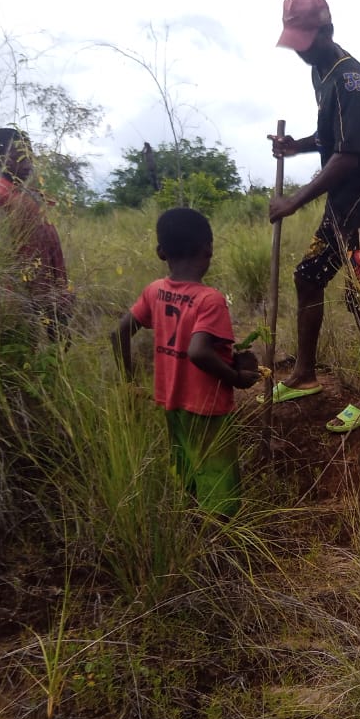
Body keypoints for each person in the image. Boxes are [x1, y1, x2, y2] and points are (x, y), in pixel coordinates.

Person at [265, 0, 360, 434]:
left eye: (306, 41)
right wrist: (296, 146)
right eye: (295, 42)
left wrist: (294, 201)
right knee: (308, 276)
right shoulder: (320, 71)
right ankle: (304, 375)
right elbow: (331, 137)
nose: (300, 52)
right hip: (342, 204)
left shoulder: (349, 78)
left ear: (327, 31)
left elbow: (351, 155)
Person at [112, 208, 262, 519]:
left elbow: (118, 334)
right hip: (207, 408)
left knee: (187, 466)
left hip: (172, 401)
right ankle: (221, 539)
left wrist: (129, 380)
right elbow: (198, 352)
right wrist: (235, 376)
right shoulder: (210, 300)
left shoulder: (155, 291)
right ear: (209, 248)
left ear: (160, 252)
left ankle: (192, 524)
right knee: (218, 476)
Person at [0, 126, 73, 339]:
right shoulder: (0, 199)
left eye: (29, 156)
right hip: (28, 302)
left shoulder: (27, 195)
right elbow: (8, 258)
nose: (27, 164)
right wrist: (36, 305)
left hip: (49, 296)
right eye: (19, 157)